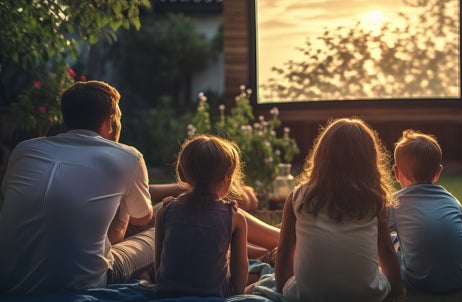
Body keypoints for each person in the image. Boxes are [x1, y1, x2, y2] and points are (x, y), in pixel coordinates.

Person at [0, 80, 279, 296]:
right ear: (109, 122)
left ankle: (268, 245)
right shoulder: (126, 156)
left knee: (173, 208)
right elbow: (143, 219)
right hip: (83, 280)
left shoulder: (26, 151)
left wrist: (184, 188)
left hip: (11, 278)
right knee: (166, 217)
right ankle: (277, 240)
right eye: (118, 117)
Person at [275, 117, 403, 301]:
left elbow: (284, 250)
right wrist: (397, 292)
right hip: (365, 295)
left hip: (308, 296)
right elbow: (385, 250)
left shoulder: (298, 197)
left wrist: (281, 291)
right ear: (369, 160)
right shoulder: (375, 199)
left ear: (321, 156)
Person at [154, 134, 248, 298]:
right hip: (215, 295)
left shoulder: (165, 210)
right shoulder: (234, 217)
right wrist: (237, 295)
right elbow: (240, 268)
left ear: (182, 175)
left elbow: (159, 264)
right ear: (227, 180)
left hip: (166, 293)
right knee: (255, 285)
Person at [389, 129, 462, 293]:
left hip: (419, 283)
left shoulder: (395, 202)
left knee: (388, 240)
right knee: (398, 239)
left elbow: (375, 234)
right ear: (437, 172)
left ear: (396, 172)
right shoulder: (449, 198)